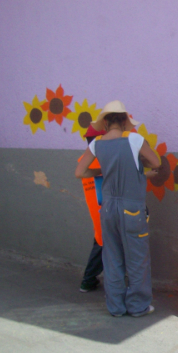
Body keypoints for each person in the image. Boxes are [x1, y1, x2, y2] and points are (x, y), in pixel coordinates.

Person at [75, 101, 161, 317]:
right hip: (132, 208)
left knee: (112, 258)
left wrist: (100, 174)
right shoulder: (133, 139)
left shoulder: (96, 143)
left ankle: (115, 307)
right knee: (137, 258)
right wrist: (139, 166)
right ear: (124, 121)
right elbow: (155, 161)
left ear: (105, 122)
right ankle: (137, 306)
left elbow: (80, 172)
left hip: (108, 208)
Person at [78, 125, 106, 292]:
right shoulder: (101, 159)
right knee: (102, 244)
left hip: (96, 209)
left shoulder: (85, 159)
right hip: (104, 209)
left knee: (100, 241)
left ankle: (89, 280)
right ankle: (88, 280)